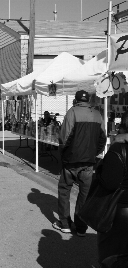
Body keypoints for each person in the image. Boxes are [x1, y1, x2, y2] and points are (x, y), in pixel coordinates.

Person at [53, 90, 106, 236]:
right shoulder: (97, 114)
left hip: (71, 161)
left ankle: (64, 223)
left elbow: (64, 138)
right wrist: (93, 153)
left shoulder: (72, 112)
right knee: (84, 194)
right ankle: (81, 227)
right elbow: (103, 138)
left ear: (75, 100)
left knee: (64, 190)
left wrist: (64, 155)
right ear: (88, 100)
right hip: (88, 162)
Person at [95, 139, 128, 265]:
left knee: (113, 256)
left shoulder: (119, 148)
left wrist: (100, 169)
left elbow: (109, 182)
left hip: (120, 210)